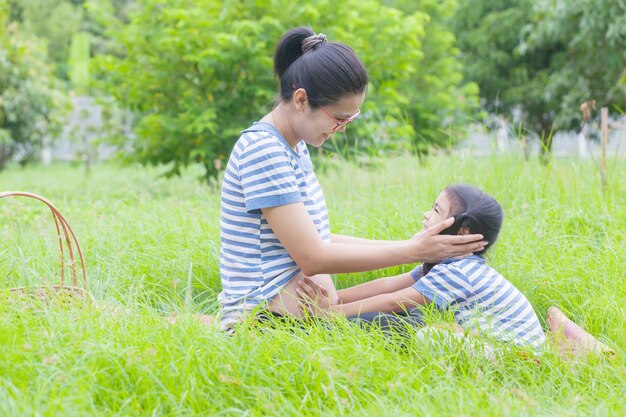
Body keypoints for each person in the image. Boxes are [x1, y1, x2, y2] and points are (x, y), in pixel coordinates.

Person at [217, 27, 486, 331]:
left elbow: (319, 236)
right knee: (416, 328)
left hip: (301, 318)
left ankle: (531, 342)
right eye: (339, 118)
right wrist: (413, 251)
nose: (343, 128)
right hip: (265, 325)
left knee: (422, 316)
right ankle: (535, 350)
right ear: (302, 100)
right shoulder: (264, 151)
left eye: (350, 119)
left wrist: (409, 245)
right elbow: (313, 257)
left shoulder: (293, 147)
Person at [297, 184, 546, 349]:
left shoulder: (458, 271)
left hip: (512, 353)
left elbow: (393, 300)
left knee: (416, 330)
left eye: (437, 211)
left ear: (462, 232)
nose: (427, 215)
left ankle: (324, 323)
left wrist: (326, 313)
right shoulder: (449, 263)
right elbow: (388, 285)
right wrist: (335, 299)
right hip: (492, 342)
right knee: (406, 319)